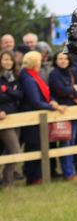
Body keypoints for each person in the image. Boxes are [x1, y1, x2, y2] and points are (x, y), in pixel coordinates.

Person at [19, 51, 66, 185]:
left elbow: (44, 93)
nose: (41, 63)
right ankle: (32, 177)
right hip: (31, 117)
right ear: (34, 62)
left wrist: (51, 102)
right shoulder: (27, 78)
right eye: (39, 60)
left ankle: (35, 176)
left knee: (38, 145)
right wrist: (53, 107)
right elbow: (35, 101)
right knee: (33, 146)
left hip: (37, 116)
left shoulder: (34, 76)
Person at [48, 52, 77, 181]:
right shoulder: (54, 74)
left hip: (74, 110)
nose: (63, 61)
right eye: (60, 58)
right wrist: (72, 89)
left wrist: (72, 90)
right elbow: (60, 91)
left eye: (65, 58)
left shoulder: (72, 72)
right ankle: (68, 173)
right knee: (66, 141)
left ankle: (70, 171)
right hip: (61, 112)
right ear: (56, 60)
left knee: (72, 141)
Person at [0, 50, 23, 188]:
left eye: (10, 59)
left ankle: (6, 179)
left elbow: (20, 95)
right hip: (3, 120)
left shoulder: (15, 77)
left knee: (11, 150)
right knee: (14, 149)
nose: (8, 62)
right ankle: (7, 182)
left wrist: (6, 90)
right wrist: (12, 93)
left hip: (16, 117)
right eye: (5, 59)